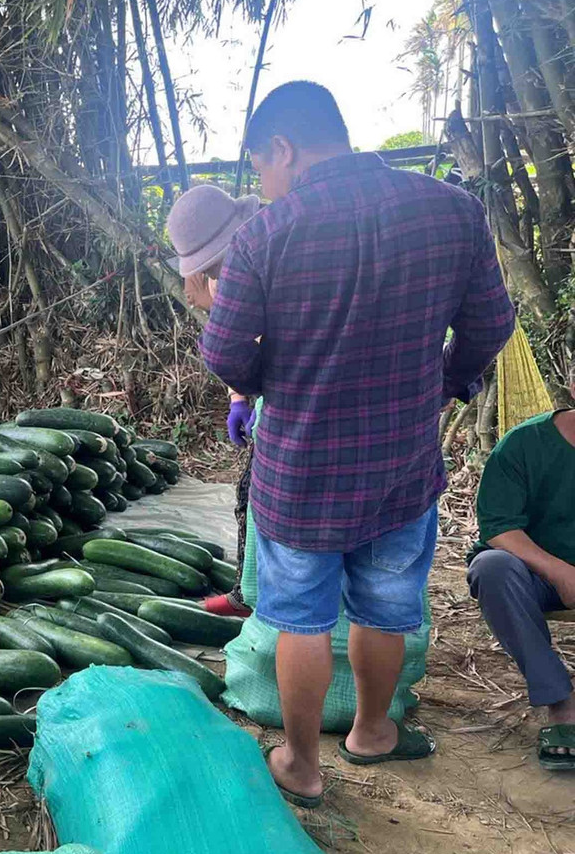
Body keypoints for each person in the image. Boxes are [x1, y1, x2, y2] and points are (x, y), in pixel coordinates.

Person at [199, 81, 515, 807]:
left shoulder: (267, 235)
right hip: (403, 464)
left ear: (283, 148)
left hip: (300, 469)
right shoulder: (451, 210)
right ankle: (374, 733)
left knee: (301, 621)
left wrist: (271, 379)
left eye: (261, 170)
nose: (265, 187)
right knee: (384, 604)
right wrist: (446, 380)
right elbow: (491, 326)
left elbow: (225, 356)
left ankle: (302, 767)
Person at [467, 367, 575, 770]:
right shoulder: (524, 444)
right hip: (534, 574)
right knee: (492, 568)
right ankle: (560, 700)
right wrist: (560, 571)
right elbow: (499, 529)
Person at [167, 184, 261, 618]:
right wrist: (239, 397)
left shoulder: (263, 266)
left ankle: (254, 595)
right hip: (269, 403)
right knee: (250, 496)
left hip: (292, 407)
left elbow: (232, 347)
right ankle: (250, 590)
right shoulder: (235, 273)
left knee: (255, 498)